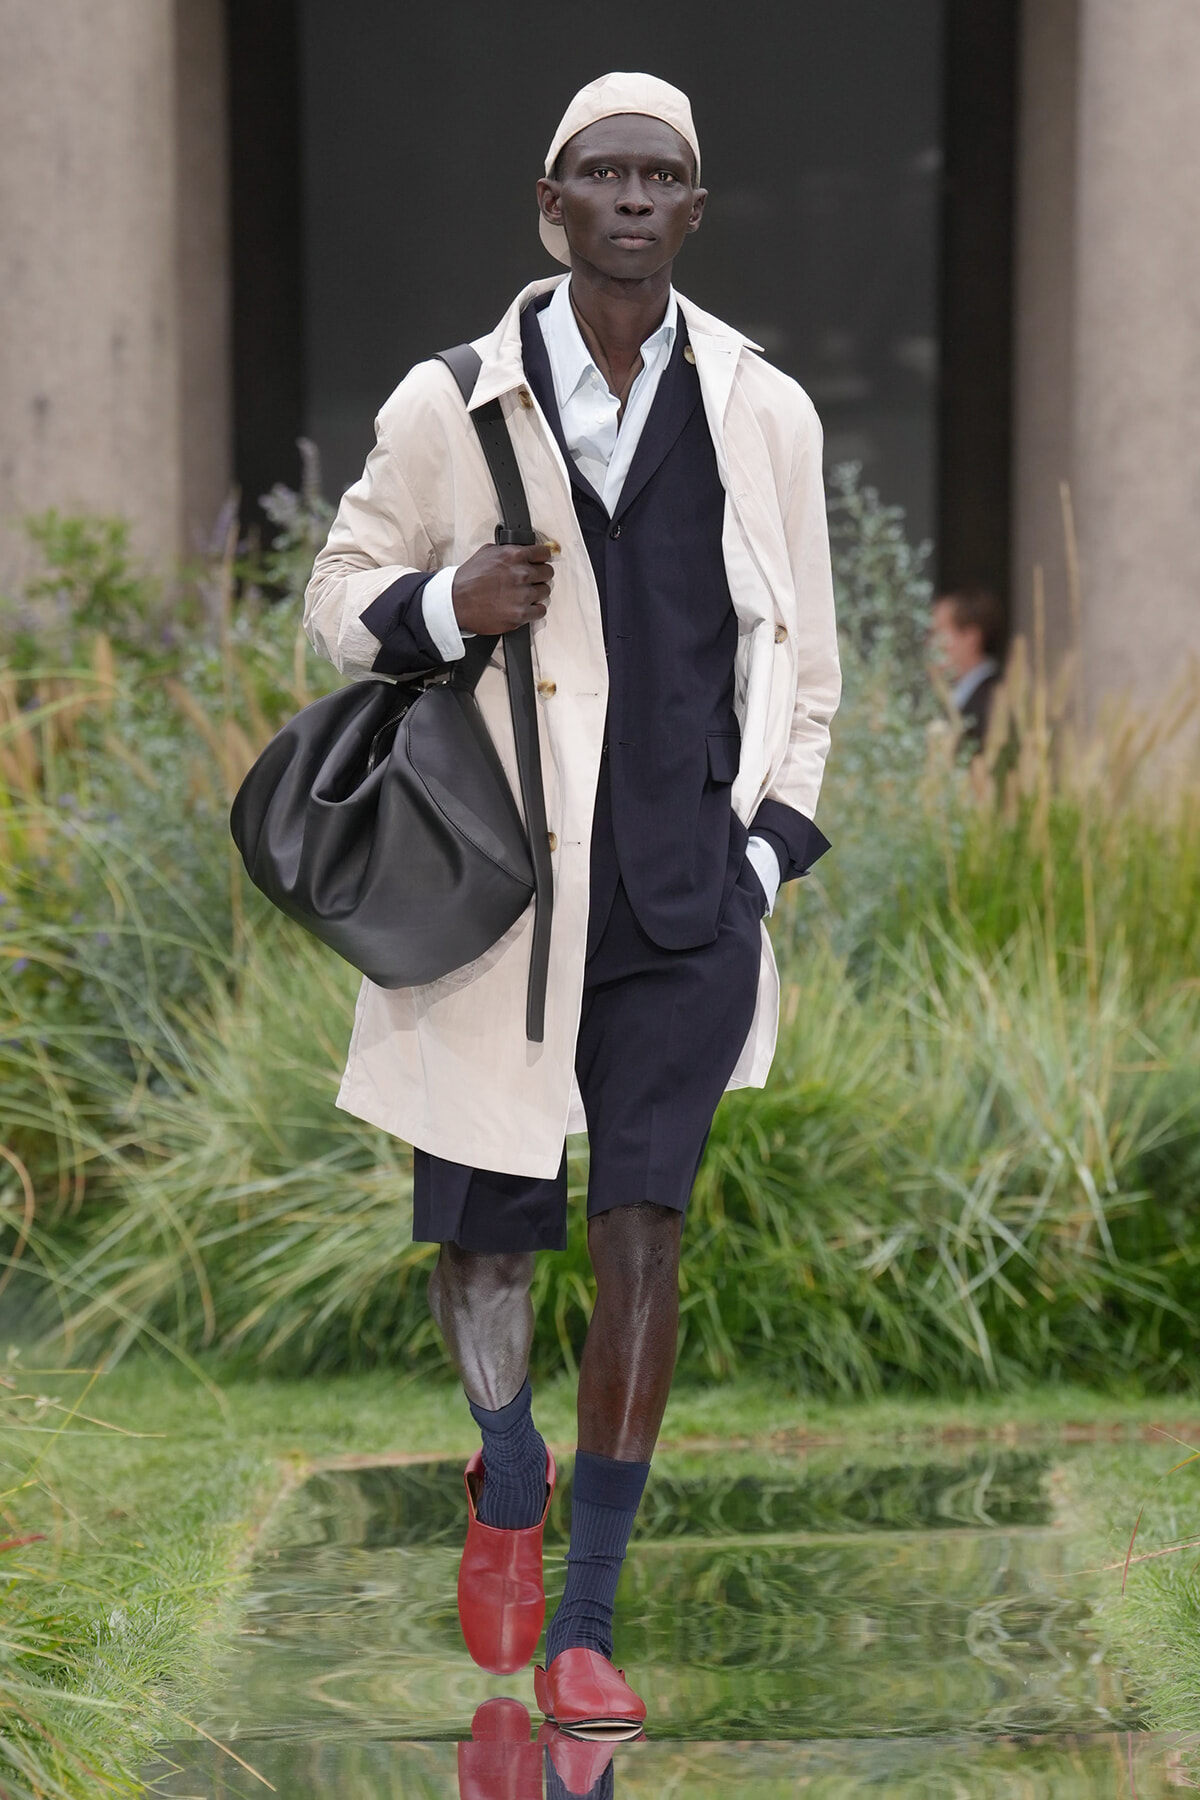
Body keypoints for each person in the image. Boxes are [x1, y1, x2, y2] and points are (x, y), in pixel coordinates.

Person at [303, 71, 840, 1737]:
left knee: (644, 1227)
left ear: (694, 209)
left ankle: (588, 1615)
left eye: (657, 176)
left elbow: (810, 665)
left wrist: (763, 858)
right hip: (498, 899)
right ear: (549, 207)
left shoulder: (765, 411)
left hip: (687, 892)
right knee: (484, 1229)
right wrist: (441, 602)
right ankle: (511, 1462)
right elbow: (334, 599)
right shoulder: (448, 404)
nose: (627, 197)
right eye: (597, 174)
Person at [929, 582, 1006, 750]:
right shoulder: (957, 698)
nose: (930, 644)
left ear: (971, 638)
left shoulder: (993, 702)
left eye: (938, 632)